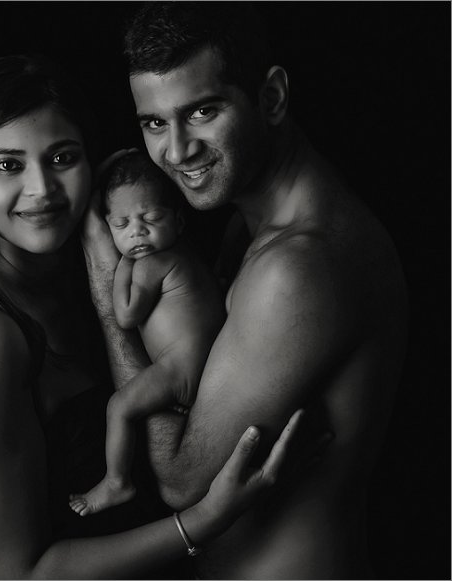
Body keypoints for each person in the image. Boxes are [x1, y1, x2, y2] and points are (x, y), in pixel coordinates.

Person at [0, 54, 307, 579]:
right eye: (8, 165)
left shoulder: (109, 265)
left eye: (62, 158)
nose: (42, 190)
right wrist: (201, 521)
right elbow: (19, 574)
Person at [81, 3, 409, 578]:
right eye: (154, 123)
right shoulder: (248, 222)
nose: (176, 151)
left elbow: (183, 480)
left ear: (272, 97)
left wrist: (106, 285)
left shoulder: (297, 267)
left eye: (202, 111)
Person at [69, 151, 224, 517]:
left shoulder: (153, 262)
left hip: (179, 372)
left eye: (150, 218)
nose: (137, 231)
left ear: (179, 220)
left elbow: (124, 315)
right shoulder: (187, 255)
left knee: (118, 407)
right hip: (207, 372)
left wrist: (121, 261)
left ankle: (117, 482)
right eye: (121, 225)